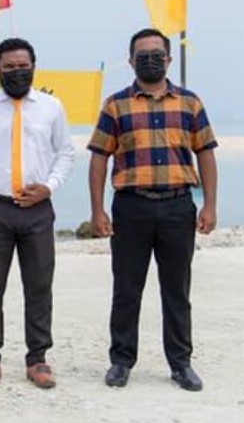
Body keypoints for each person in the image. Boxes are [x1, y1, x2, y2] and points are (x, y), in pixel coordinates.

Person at [87, 28, 219, 392]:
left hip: (178, 207)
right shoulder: (115, 105)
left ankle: (180, 363)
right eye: (142, 56)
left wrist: (209, 205)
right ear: (131, 62)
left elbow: (206, 153)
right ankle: (121, 361)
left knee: (177, 290)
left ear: (169, 60)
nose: (150, 61)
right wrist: (97, 210)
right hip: (131, 208)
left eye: (156, 55)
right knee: (126, 289)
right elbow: (99, 158)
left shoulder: (190, 103)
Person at [0, 38, 75, 389]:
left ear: (33, 66)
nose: (17, 71)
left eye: (23, 66)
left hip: (37, 210)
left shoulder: (51, 107)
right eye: (9, 66)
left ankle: (37, 358)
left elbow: (65, 152)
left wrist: (49, 187)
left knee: (39, 285)